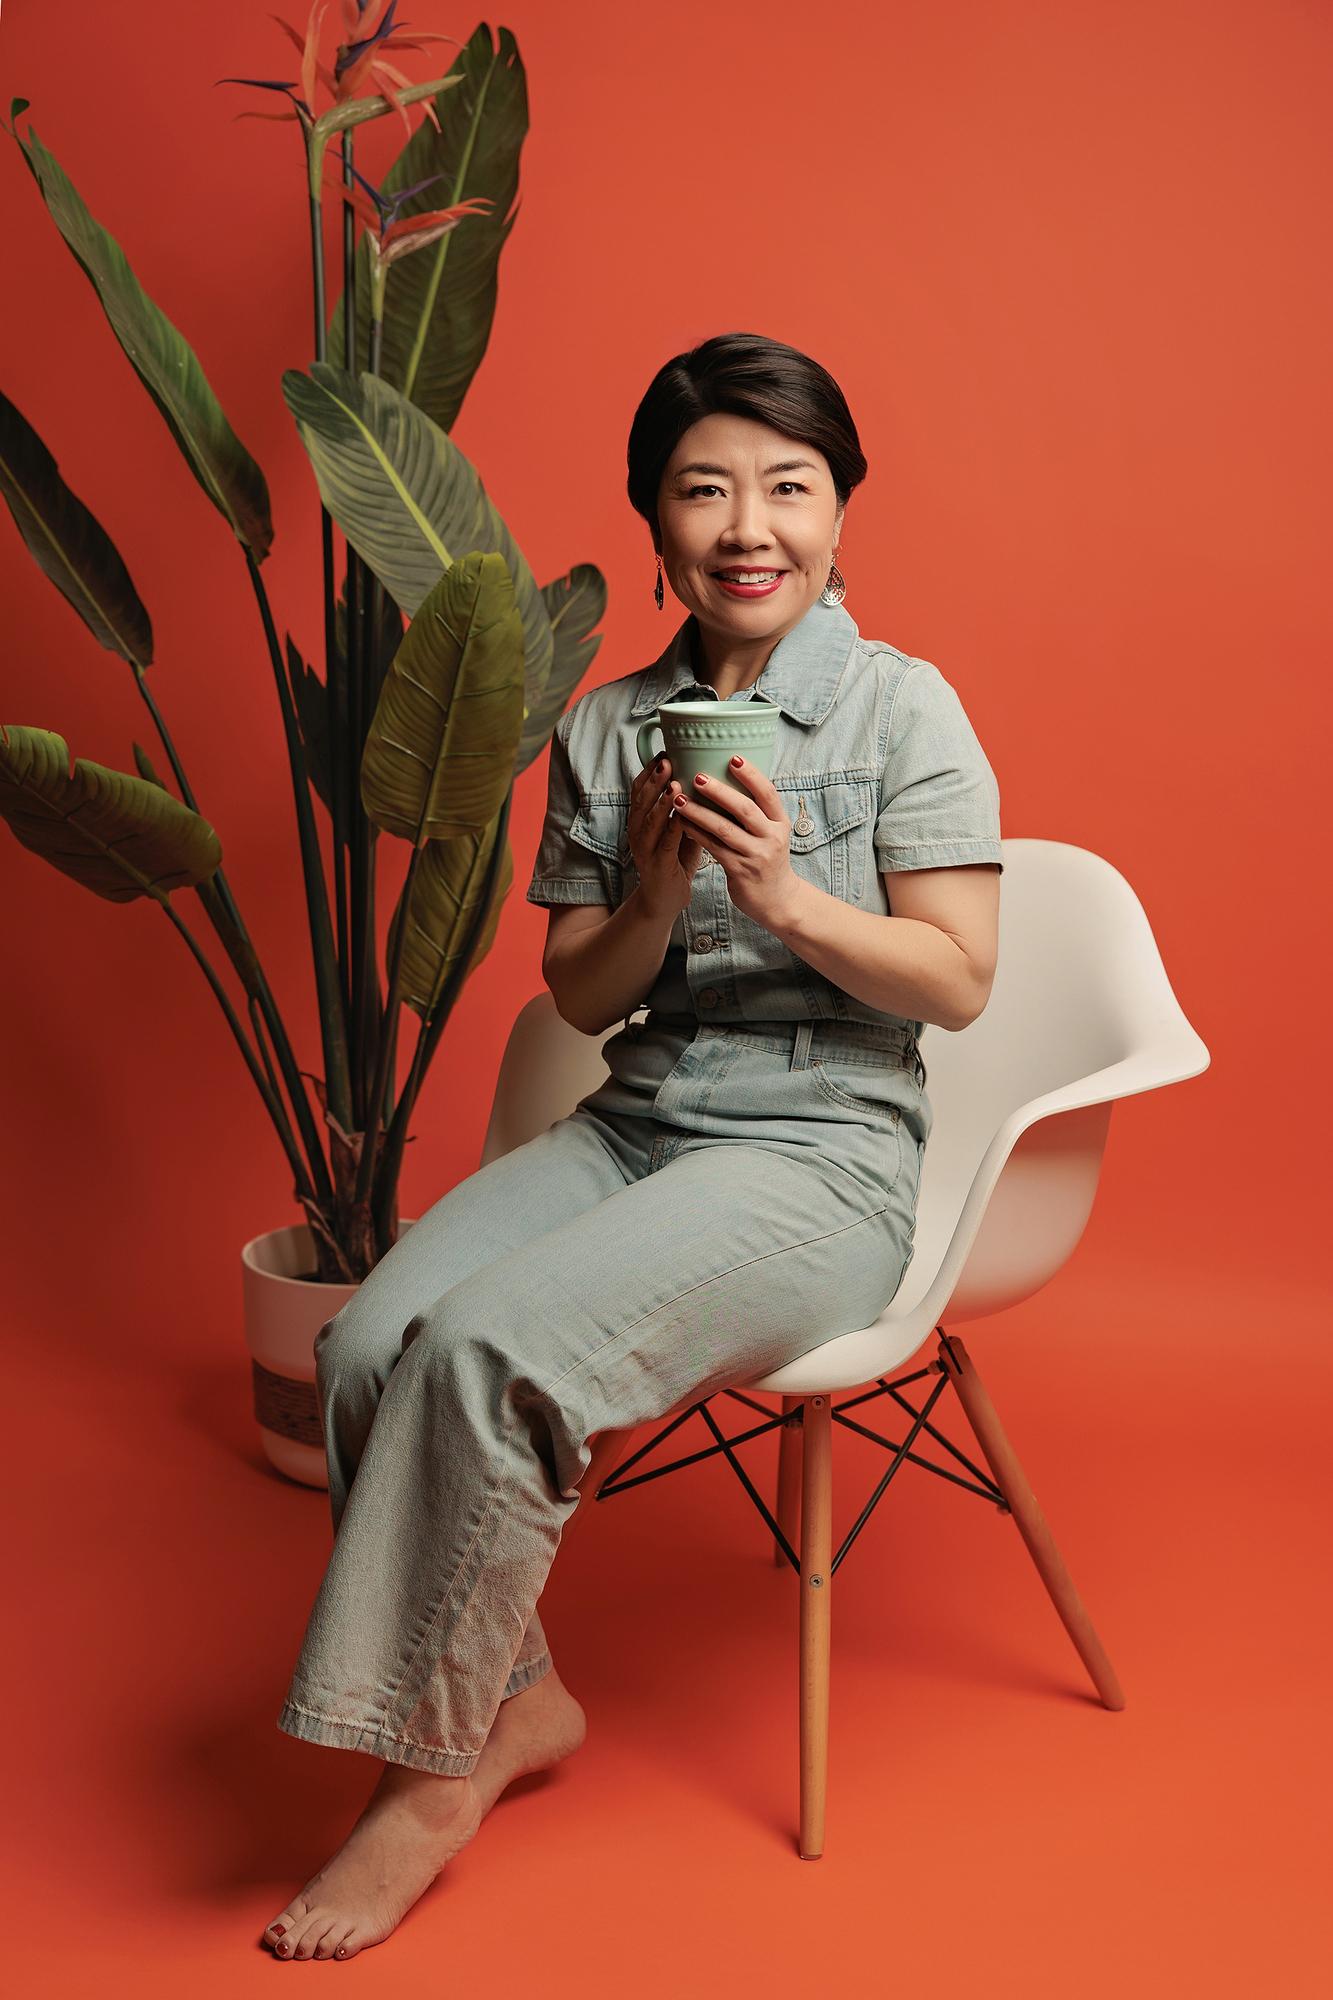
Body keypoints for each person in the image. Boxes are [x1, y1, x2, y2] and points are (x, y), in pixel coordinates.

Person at [261, 331, 1004, 1962]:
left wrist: (792, 900)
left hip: (824, 1154)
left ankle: (427, 1774)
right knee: (373, 1340)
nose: (750, 525)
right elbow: (584, 991)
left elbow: (957, 982)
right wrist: (662, 889)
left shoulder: (899, 705)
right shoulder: (610, 727)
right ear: (657, 525)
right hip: (642, 1122)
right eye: (705, 490)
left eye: (787, 487)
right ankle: (514, 1700)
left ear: (838, 513)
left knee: (495, 1351)